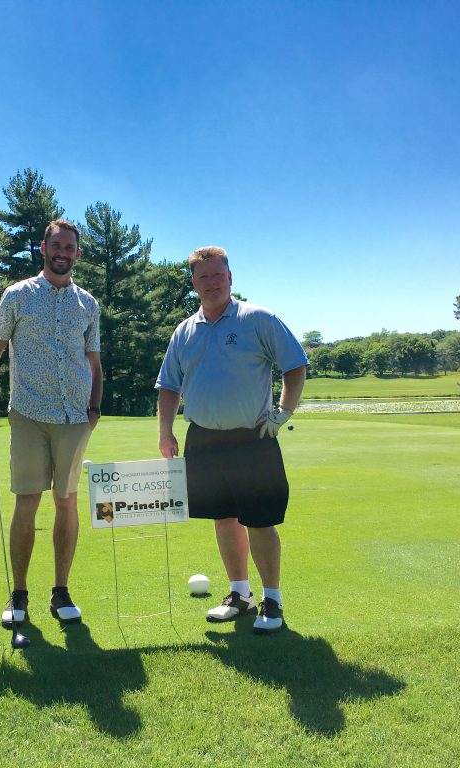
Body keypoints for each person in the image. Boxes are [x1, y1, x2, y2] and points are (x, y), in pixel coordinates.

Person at [156, 246, 307, 634]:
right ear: (193, 283)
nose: (211, 283)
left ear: (230, 277)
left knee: (260, 521)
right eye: (203, 277)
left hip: (252, 437)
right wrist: (165, 432)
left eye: (217, 275)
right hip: (203, 440)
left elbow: (295, 365)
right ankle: (240, 595)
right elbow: (169, 386)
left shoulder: (259, 319)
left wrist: (283, 413)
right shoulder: (184, 330)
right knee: (223, 518)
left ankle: (271, 600)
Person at [0, 219, 103, 629]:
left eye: (70, 247)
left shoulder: (88, 304)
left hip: (75, 418)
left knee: (66, 502)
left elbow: (94, 363)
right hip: (28, 413)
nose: (63, 252)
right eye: (56, 245)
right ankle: (19, 593)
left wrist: (94, 409)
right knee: (27, 501)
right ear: (43, 249)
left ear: (78, 254)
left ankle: (61, 590)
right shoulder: (18, 295)